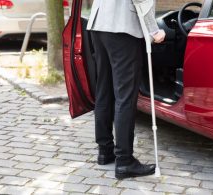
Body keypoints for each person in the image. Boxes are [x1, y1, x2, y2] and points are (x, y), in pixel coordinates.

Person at [86, 0, 166, 179]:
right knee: (125, 96)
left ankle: (105, 151)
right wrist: (154, 30)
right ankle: (124, 161)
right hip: (122, 27)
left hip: (99, 24)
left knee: (104, 91)